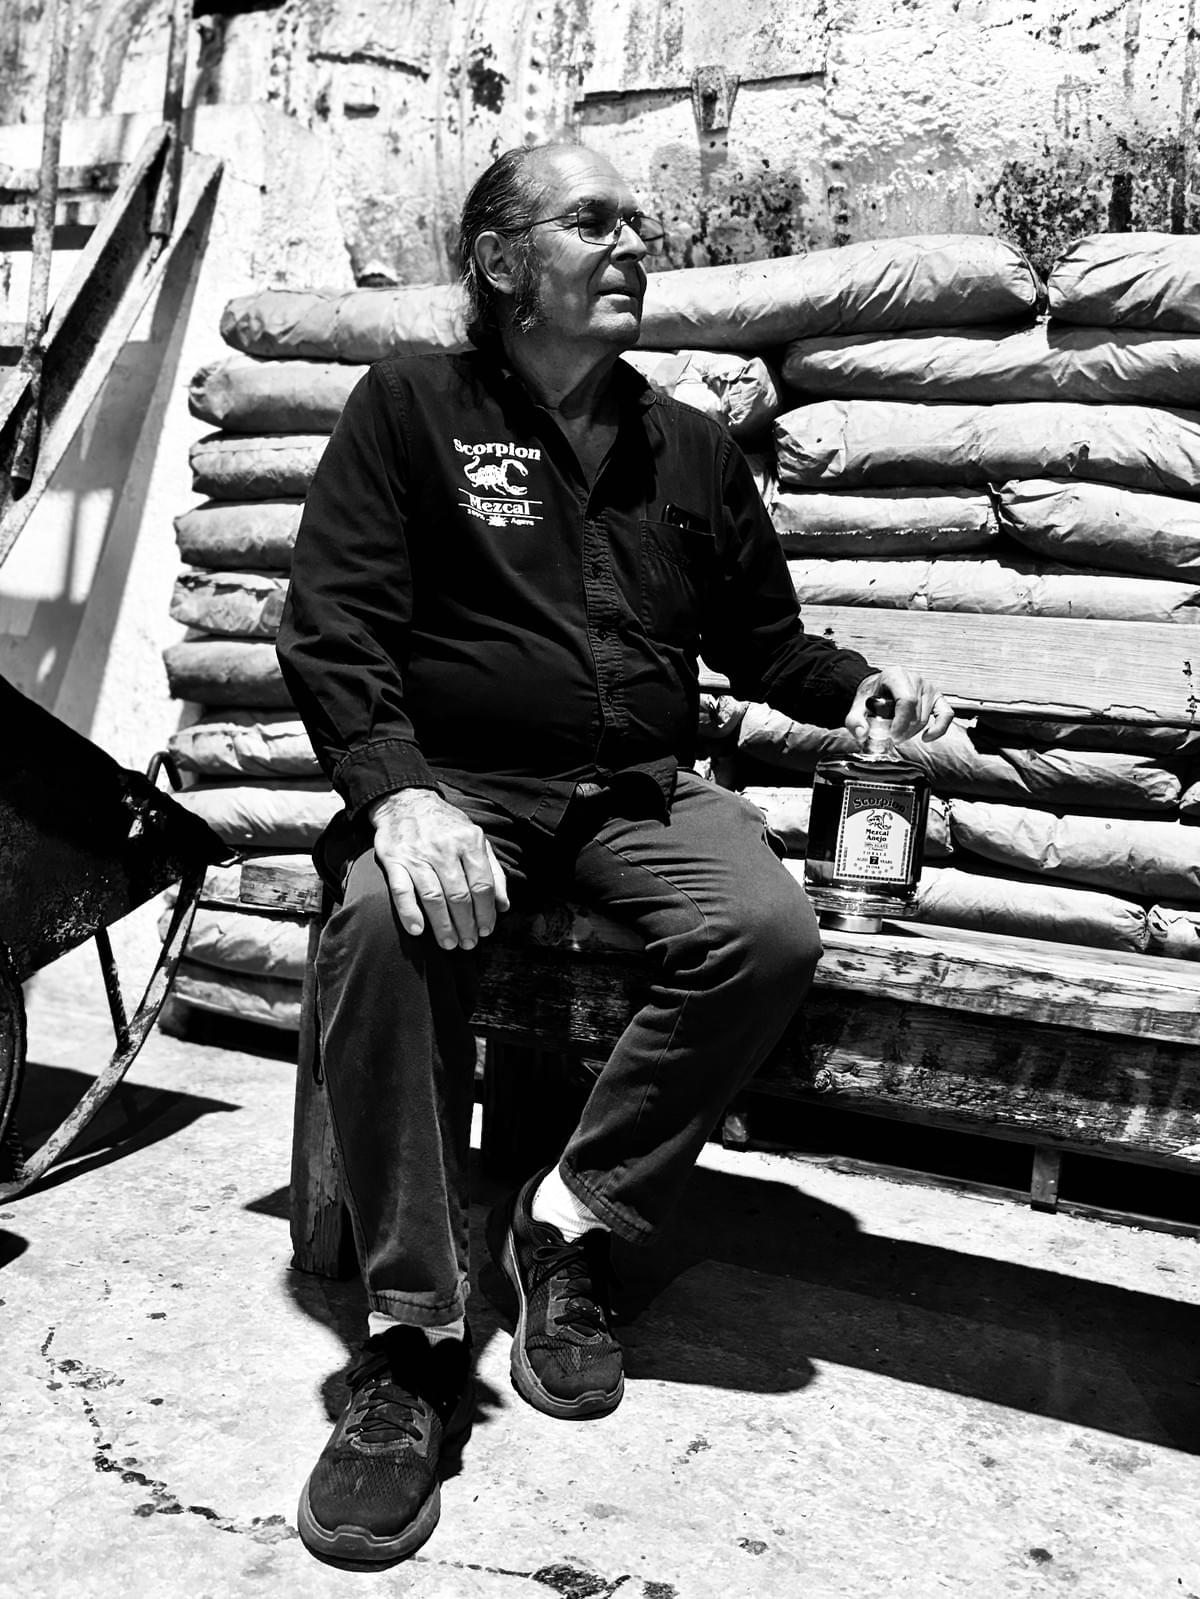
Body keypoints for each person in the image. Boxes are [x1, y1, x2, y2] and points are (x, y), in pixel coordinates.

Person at [276, 140, 954, 1567]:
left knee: (763, 929)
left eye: (640, 221)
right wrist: (400, 799)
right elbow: (330, 624)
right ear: (502, 260)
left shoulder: (687, 446)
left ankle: (570, 1222)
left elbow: (761, 641)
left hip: (636, 790)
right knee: (382, 931)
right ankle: (410, 1348)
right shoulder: (412, 408)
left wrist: (854, 689)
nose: (633, 242)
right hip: (459, 787)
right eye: (594, 220)